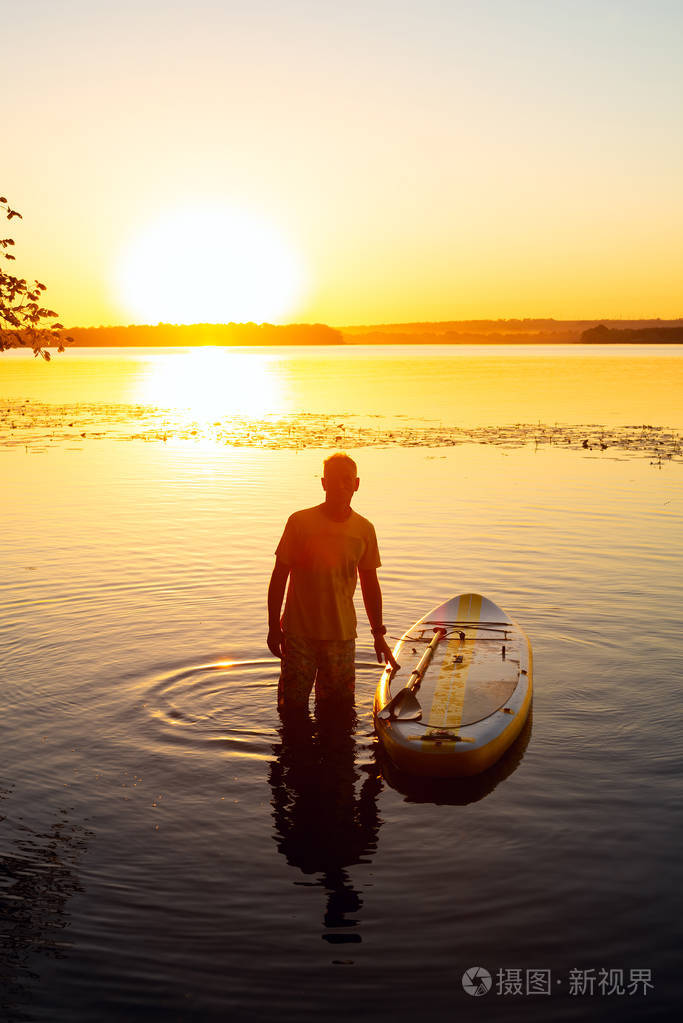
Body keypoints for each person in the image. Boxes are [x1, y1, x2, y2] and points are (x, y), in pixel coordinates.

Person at [268, 452, 398, 712]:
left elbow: (370, 584)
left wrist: (378, 634)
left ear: (356, 484)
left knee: (338, 712)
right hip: (298, 634)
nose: (340, 486)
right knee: (291, 709)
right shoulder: (300, 522)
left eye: (346, 480)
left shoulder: (364, 530)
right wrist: (273, 627)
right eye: (333, 480)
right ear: (323, 483)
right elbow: (279, 576)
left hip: (341, 636)